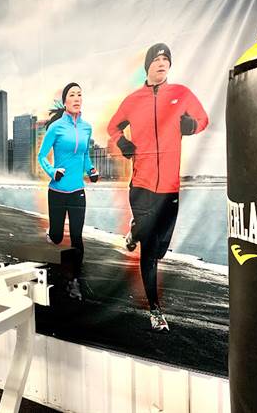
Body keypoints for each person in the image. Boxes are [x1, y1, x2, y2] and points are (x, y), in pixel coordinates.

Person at [107, 43, 208, 331]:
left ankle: (135, 231)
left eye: (166, 59)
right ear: (148, 66)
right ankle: (155, 309)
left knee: (161, 248)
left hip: (169, 188)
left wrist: (190, 126)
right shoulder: (132, 100)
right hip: (141, 184)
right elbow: (113, 127)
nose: (162, 63)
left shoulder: (181, 93)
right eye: (157, 59)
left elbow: (203, 119)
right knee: (150, 252)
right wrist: (123, 142)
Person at [38, 82, 99, 300]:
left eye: (79, 94)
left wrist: (91, 170)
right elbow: (41, 156)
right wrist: (52, 172)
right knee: (56, 237)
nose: (76, 98)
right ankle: (51, 234)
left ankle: (75, 280)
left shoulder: (86, 128)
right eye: (72, 95)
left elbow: (84, 156)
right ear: (65, 101)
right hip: (57, 191)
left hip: (77, 191)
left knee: (76, 237)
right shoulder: (56, 128)